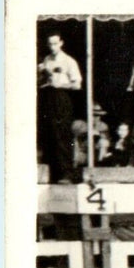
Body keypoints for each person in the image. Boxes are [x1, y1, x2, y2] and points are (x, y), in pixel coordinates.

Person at [37, 31, 82, 183]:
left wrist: (62, 84)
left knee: (63, 134)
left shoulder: (69, 61)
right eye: (50, 44)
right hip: (48, 96)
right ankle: (54, 173)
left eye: (55, 43)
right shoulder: (47, 59)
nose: (52, 47)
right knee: (51, 134)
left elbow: (77, 84)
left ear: (61, 43)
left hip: (63, 97)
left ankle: (67, 174)